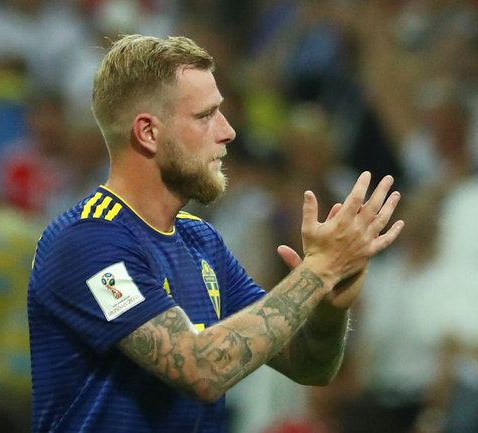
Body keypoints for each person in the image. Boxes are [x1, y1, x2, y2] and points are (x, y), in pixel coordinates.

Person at [27, 34, 404, 433]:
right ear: (148, 132)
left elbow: (308, 365)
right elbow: (200, 369)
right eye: (205, 116)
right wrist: (317, 271)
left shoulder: (202, 241)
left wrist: (328, 306)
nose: (228, 132)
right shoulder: (85, 242)